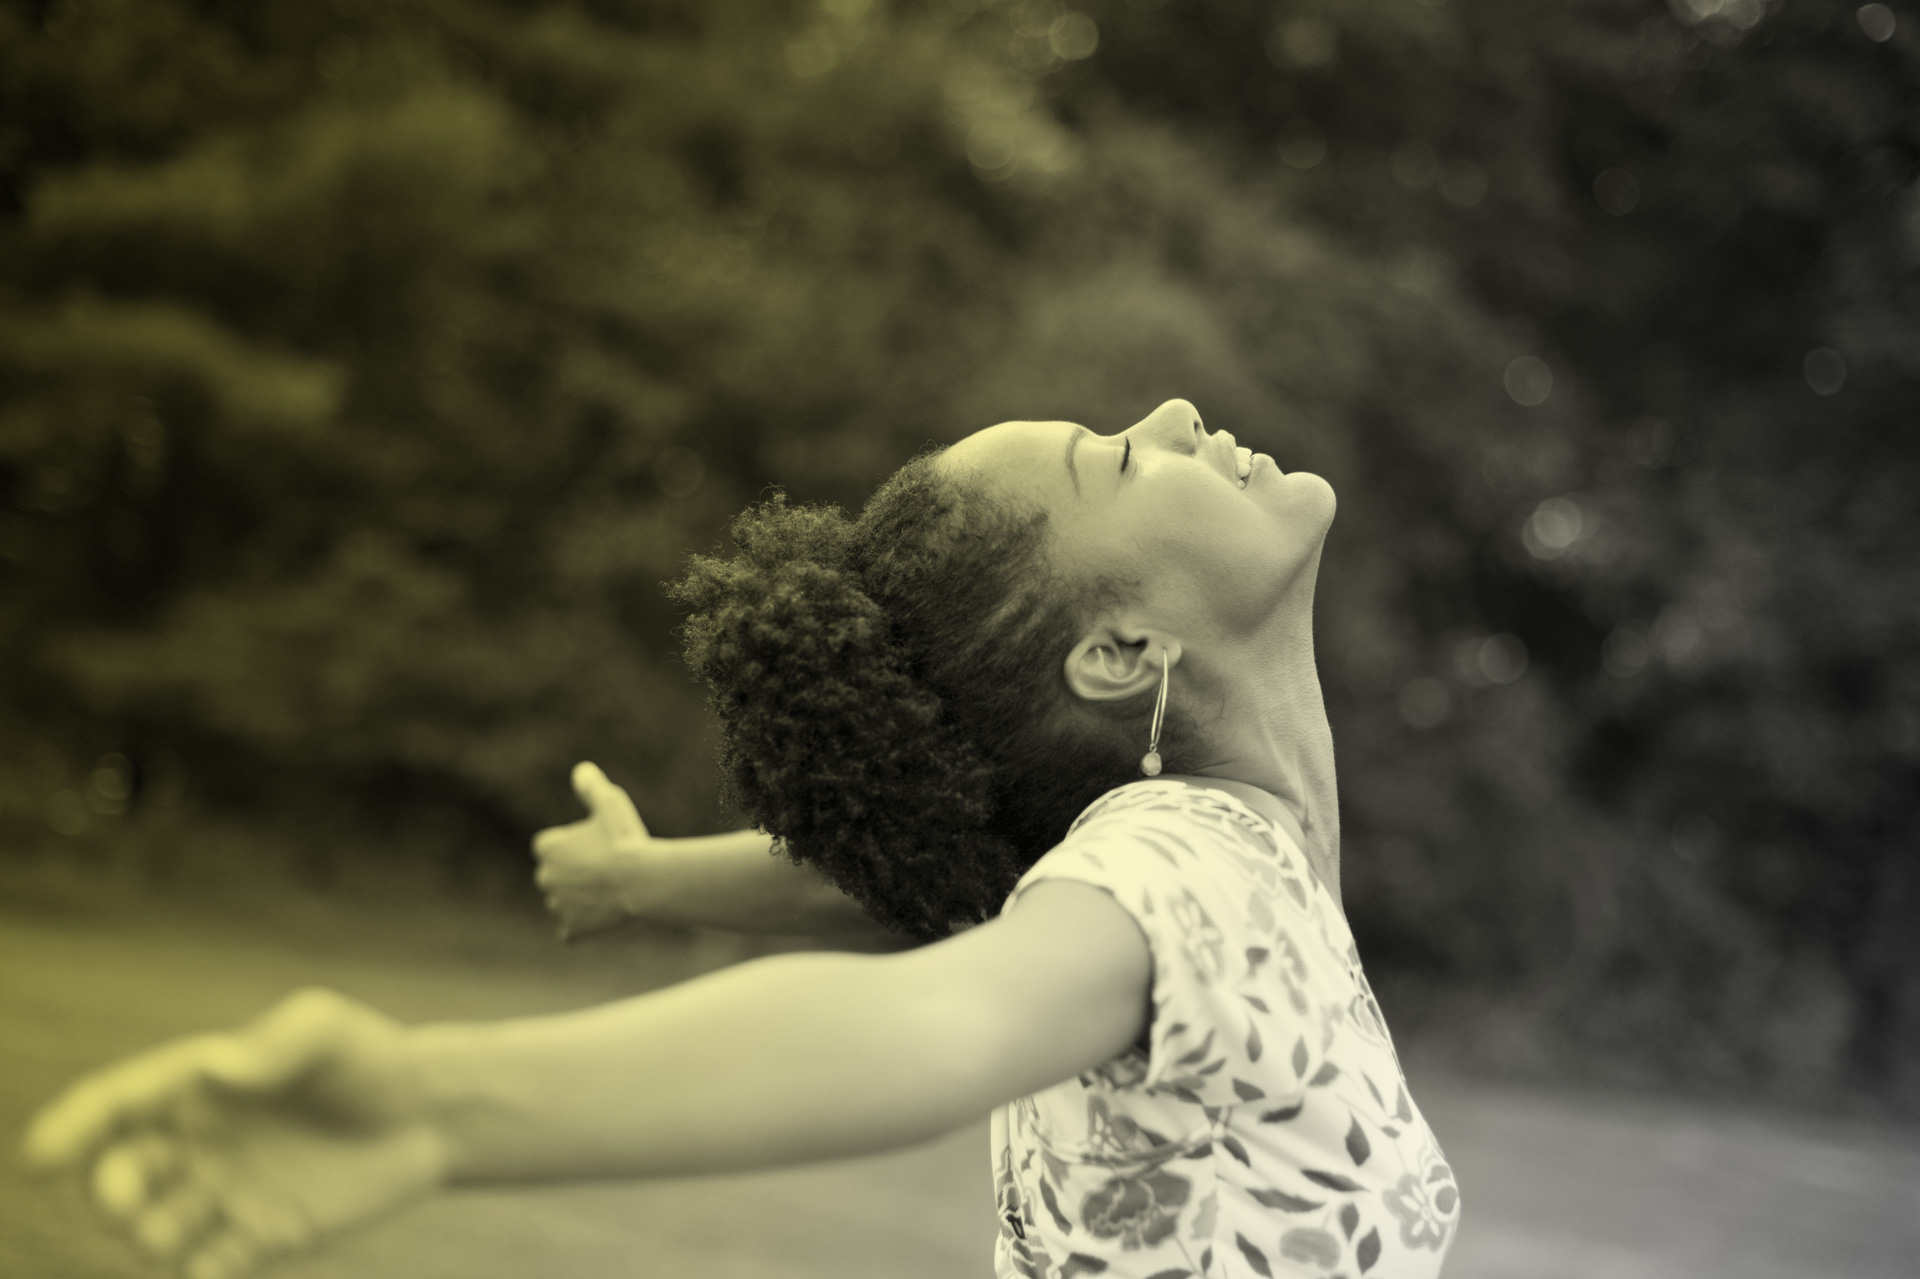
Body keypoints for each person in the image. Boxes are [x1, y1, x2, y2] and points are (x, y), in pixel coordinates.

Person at [23, 399, 1459, 1279]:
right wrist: (433, 1103)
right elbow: (937, 1023)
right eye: (1123, 461)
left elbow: (929, 890)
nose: (1176, 412)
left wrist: (645, 878)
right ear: (1122, 647)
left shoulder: (1151, 863)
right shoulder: (1188, 863)